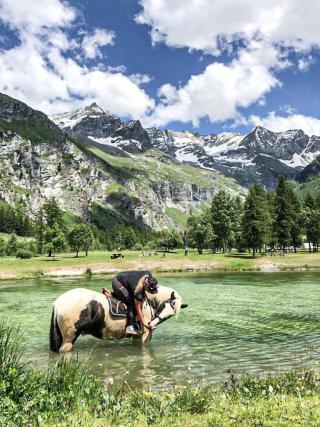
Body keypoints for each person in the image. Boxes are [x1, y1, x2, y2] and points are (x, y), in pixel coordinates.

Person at [111, 270, 159, 335]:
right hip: (118, 282)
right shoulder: (137, 289)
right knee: (131, 303)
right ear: (145, 285)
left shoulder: (149, 274)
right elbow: (138, 310)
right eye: (149, 290)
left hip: (127, 280)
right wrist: (146, 325)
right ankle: (130, 326)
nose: (149, 292)